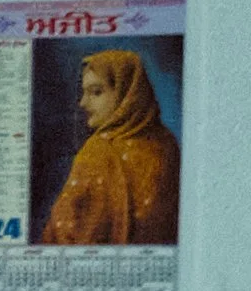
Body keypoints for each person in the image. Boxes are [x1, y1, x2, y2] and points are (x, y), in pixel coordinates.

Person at [37, 48, 179, 246]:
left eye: (96, 92)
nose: (83, 103)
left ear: (127, 93)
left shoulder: (99, 152)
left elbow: (62, 237)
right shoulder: (169, 144)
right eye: (84, 93)